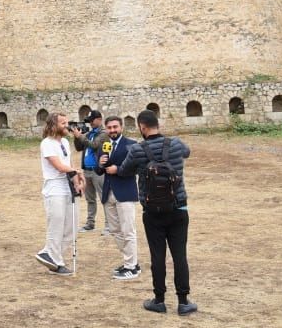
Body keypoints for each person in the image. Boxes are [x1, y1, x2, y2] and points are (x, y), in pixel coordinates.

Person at [116, 110, 195, 315]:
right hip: (178, 207)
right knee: (180, 256)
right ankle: (184, 301)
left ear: (142, 127)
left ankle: (159, 300)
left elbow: (124, 171)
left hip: (152, 211)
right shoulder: (176, 143)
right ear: (157, 124)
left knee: (157, 256)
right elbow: (187, 153)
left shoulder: (137, 149)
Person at [35, 113, 85, 276]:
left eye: (67, 122)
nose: (67, 125)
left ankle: (48, 254)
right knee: (56, 225)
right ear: (53, 125)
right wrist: (76, 171)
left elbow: (69, 164)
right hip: (54, 188)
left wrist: (78, 181)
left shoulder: (64, 141)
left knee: (72, 226)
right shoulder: (47, 143)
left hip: (68, 186)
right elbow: (59, 166)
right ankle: (57, 262)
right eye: (63, 123)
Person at [99, 116, 141, 280]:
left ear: (121, 127)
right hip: (108, 193)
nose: (112, 130)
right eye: (109, 127)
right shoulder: (104, 145)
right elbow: (98, 170)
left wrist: (119, 170)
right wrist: (100, 163)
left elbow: (136, 168)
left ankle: (132, 267)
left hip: (125, 193)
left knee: (128, 230)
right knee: (115, 231)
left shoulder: (131, 144)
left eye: (115, 127)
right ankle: (130, 262)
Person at [71, 110, 108, 233]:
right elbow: (79, 147)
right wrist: (77, 137)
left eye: (92, 120)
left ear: (99, 119)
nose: (90, 122)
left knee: (104, 198)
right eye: (89, 120)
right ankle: (90, 224)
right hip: (86, 170)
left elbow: (94, 145)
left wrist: (81, 136)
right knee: (90, 199)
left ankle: (109, 225)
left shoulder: (104, 133)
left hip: (98, 171)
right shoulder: (89, 133)